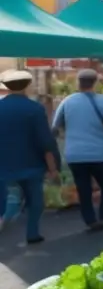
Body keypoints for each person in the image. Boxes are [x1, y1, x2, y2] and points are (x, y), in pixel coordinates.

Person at [51, 68, 103, 231]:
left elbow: (55, 128)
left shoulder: (67, 101)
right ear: (95, 83)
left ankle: (90, 220)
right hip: (102, 154)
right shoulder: (102, 101)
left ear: (78, 83)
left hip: (75, 154)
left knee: (83, 188)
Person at [0, 70, 59, 243]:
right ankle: (32, 233)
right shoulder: (34, 109)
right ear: (27, 85)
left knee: (3, 198)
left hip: (3, 165)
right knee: (35, 201)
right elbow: (45, 141)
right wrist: (52, 168)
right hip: (31, 165)